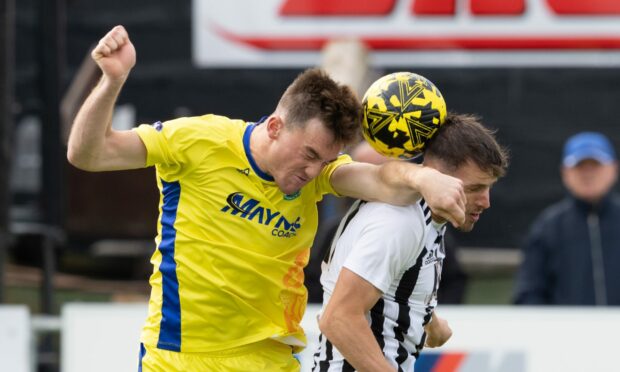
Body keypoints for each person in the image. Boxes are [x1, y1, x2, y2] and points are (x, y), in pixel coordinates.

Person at [67, 25, 468, 371]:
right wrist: (112, 82)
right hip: (178, 355)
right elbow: (88, 154)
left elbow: (382, 180)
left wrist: (423, 177)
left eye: (325, 160)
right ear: (275, 126)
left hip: (271, 360)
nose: (313, 171)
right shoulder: (196, 140)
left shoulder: (318, 176)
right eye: (309, 154)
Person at [311, 114, 509, 371]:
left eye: (489, 187)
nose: (486, 201)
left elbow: (395, 285)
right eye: (474, 189)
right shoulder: (400, 222)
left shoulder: (426, 216)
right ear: (436, 177)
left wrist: (429, 320)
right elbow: (339, 318)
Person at [514, 132, 620, 305]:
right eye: (580, 167)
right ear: (565, 172)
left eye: (595, 166)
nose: (588, 174)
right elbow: (530, 292)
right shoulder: (547, 227)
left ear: (614, 169)